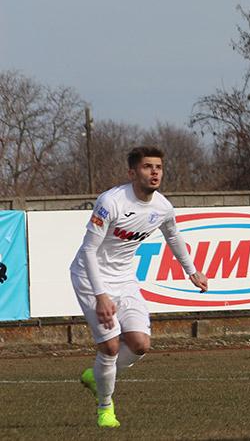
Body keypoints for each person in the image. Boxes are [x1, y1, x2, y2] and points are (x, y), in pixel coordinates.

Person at [70, 146, 208, 429]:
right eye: (147, 167)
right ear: (132, 173)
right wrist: (101, 296)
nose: (154, 172)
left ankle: (96, 376)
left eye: (158, 166)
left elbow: (173, 236)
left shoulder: (162, 207)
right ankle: (105, 408)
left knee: (139, 344)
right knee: (109, 347)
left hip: (125, 279)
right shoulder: (111, 202)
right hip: (90, 276)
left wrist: (192, 271)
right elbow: (88, 251)